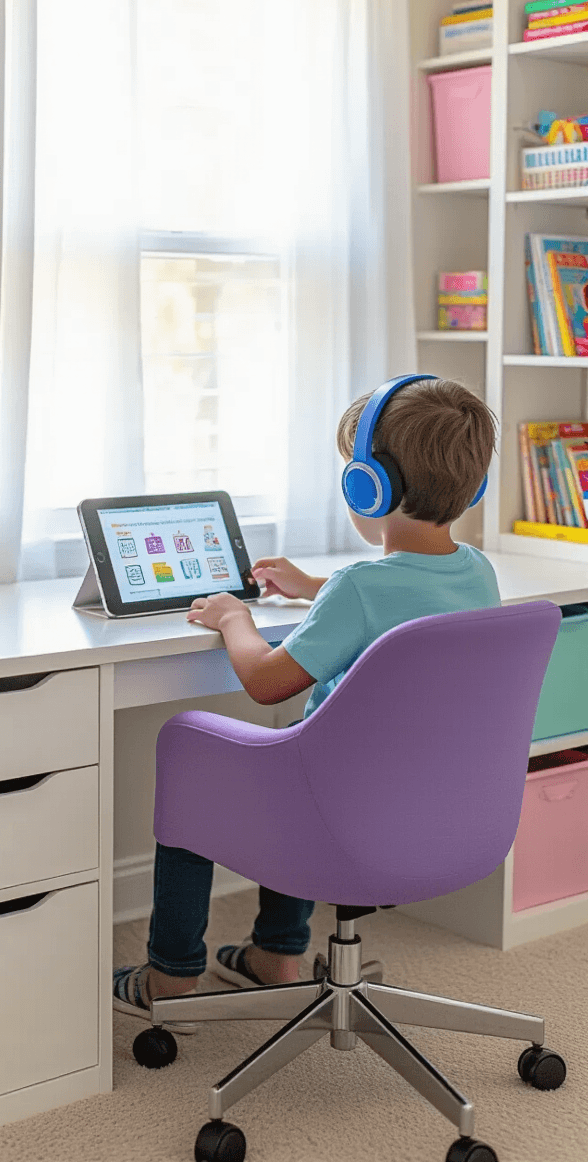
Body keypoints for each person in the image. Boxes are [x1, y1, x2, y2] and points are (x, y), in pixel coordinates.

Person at [114, 377, 499, 1026]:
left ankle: (170, 974)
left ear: (367, 488)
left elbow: (265, 680)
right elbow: (397, 597)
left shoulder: (357, 588)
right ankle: (275, 956)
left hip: (340, 812)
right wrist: (313, 588)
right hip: (432, 810)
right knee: (302, 742)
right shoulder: (478, 571)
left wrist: (234, 617)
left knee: (195, 754)